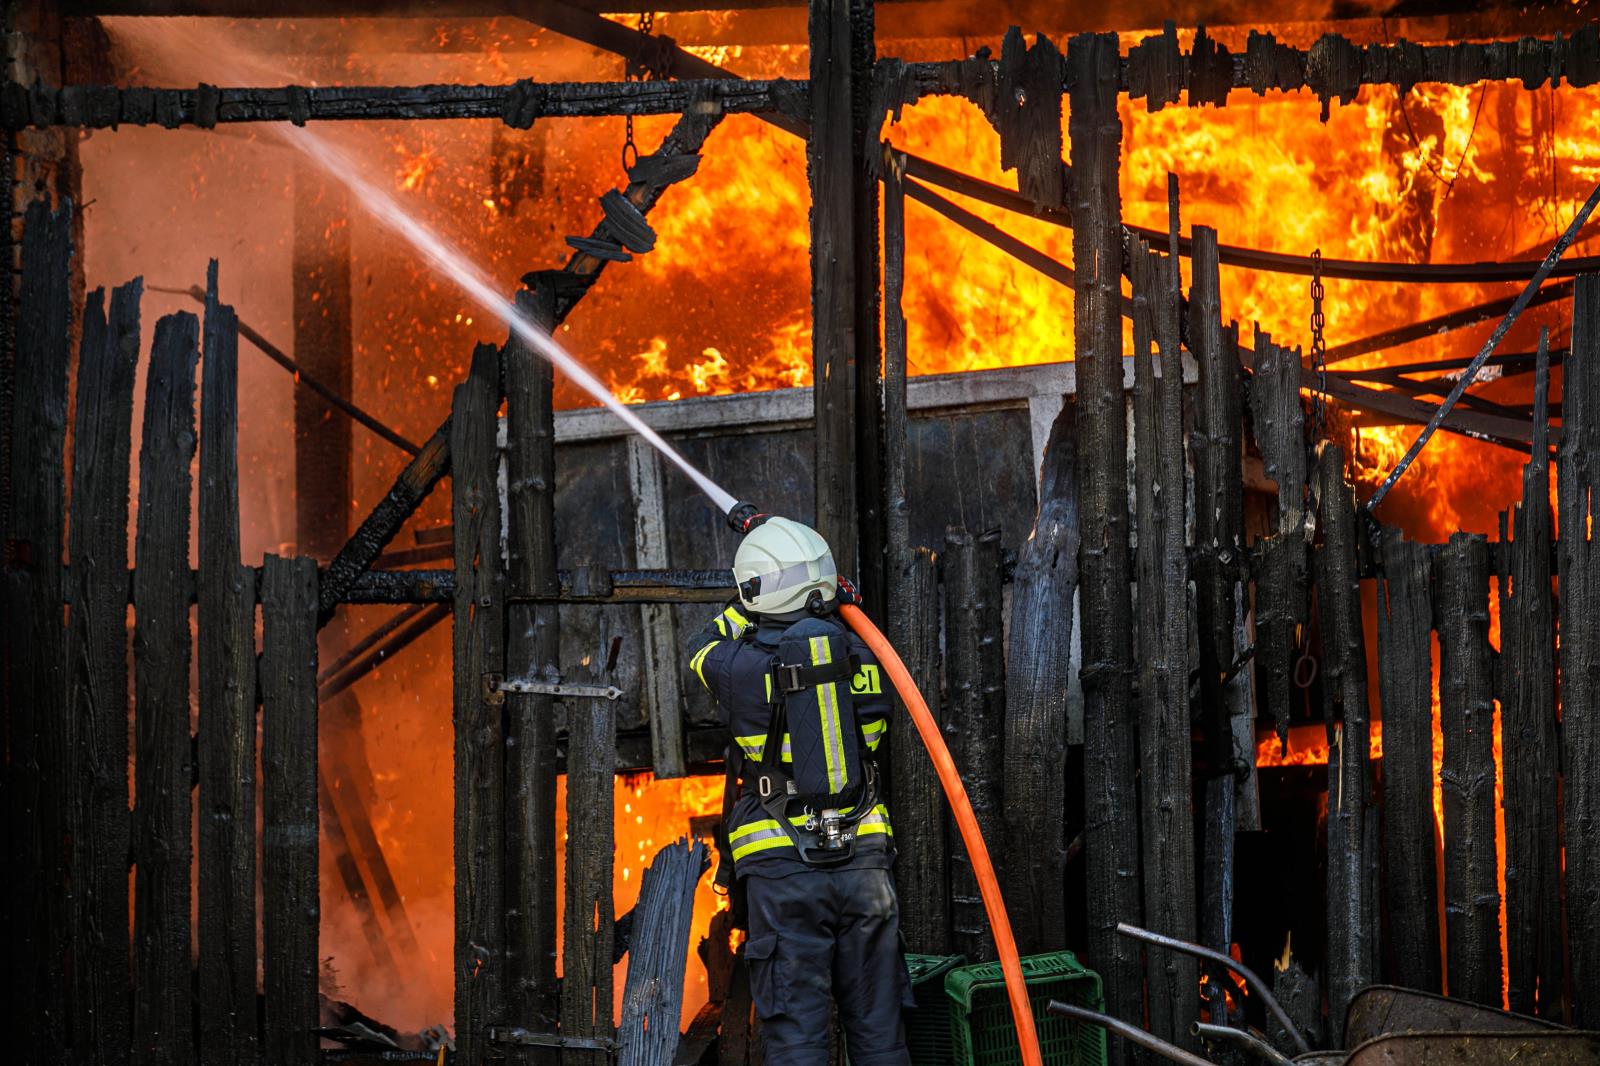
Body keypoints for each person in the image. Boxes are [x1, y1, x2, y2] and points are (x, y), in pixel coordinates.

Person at [687, 515, 913, 1066]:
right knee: (881, 1035)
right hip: (864, 869)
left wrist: (746, 607)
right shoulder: (866, 657)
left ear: (756, 587)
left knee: (797, 1042)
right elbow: (874, 730)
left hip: (783, 875)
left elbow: (700, 646)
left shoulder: (740, 669)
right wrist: (837, 601)